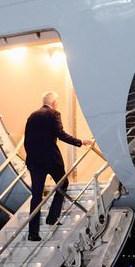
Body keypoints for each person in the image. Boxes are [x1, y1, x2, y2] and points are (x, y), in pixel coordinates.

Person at [24, 91, 93, 241]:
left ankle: (33, 233)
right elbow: (61, 134)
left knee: (36, 196)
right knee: (63, 183)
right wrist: (80, 141)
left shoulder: (32, 116)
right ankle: (52, 217)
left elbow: (27, 140)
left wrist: (31, 157)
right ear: (54, 103)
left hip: (34, 162)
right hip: (51, 160)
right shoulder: (54, 114)